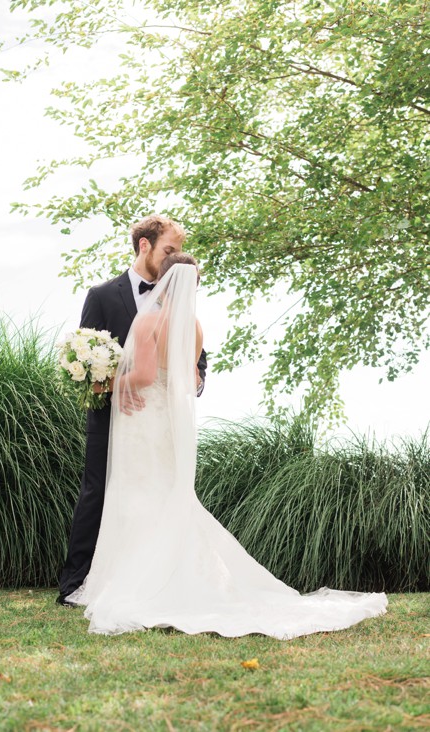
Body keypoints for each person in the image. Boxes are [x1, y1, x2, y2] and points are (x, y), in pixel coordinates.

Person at [68, 253, 387, 637]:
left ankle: (136, 583)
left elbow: (146, 374)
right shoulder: (194, 327)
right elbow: (187, 377)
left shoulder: (149, 319)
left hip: (144, 421)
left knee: (138, 496)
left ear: (164, 281)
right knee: (167, 495)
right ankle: (171, 577)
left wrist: (105, 381)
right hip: (169, 424)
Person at [57, 215, 206, 607]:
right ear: (145, 246)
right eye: (168, 250)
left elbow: (197, 365)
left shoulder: (172, 312)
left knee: (144, 495)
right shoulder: (102, 295)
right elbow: (84, 352)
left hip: (153, 414)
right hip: (111, 416)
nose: (173, 258)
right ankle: (76, 580)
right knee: (96, 493)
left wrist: (190, 382)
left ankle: (141, 580)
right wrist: (101, 380)